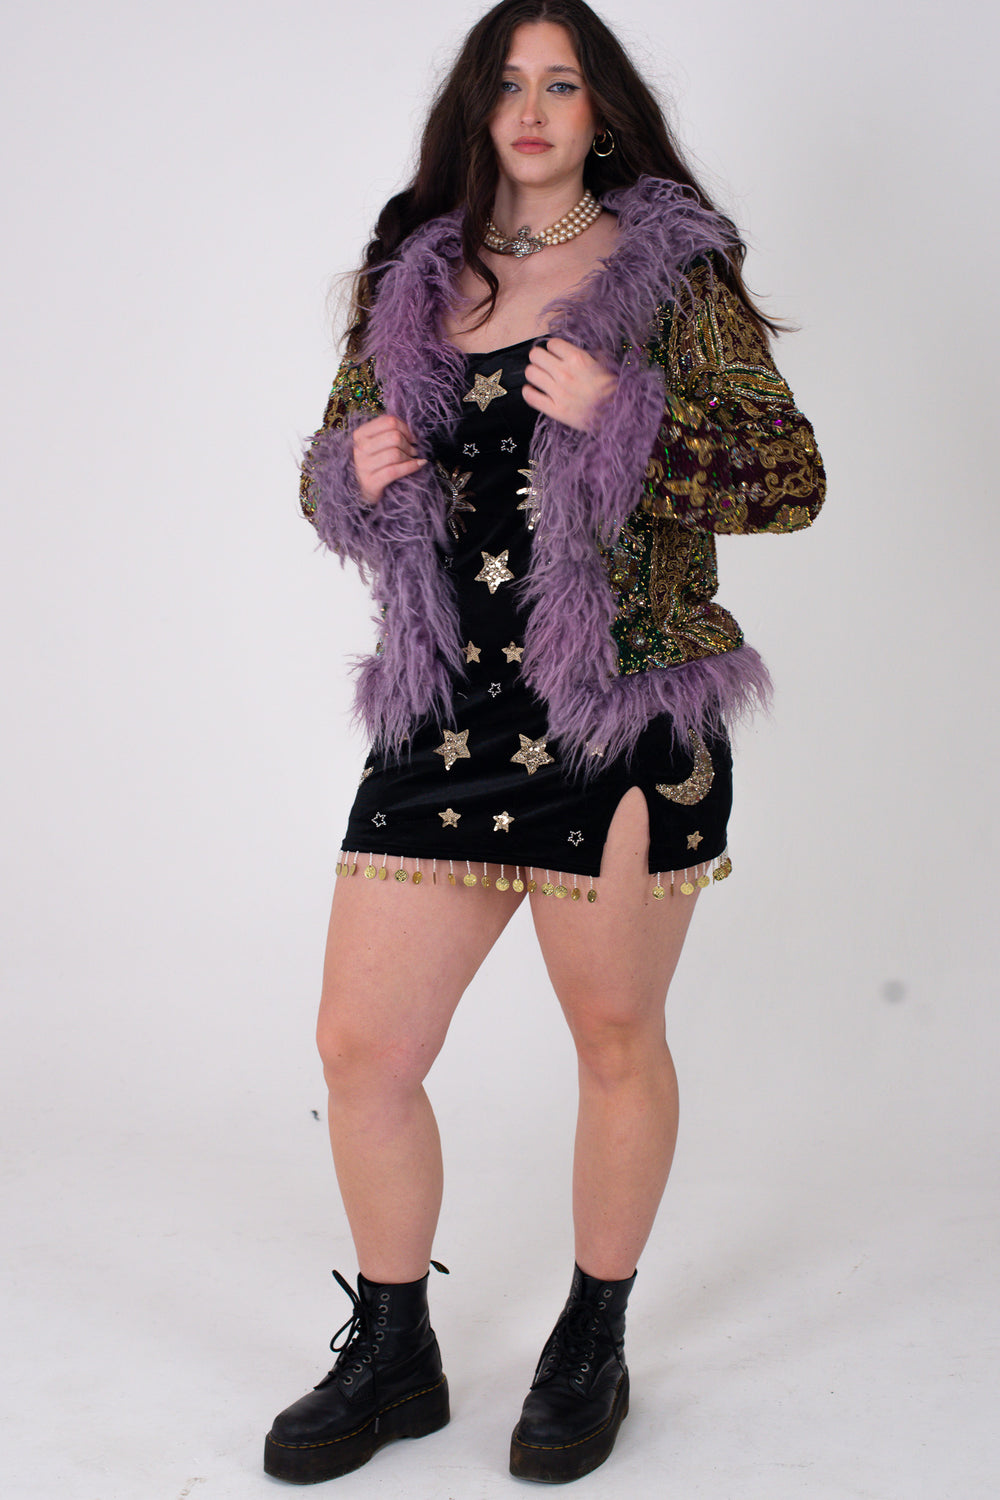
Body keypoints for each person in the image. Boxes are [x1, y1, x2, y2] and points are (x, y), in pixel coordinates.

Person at [264, 0, 825, 1485]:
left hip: (616, 710)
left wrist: (631, 412)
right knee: (362, 1046)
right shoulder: (413, 275)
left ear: (601, 110)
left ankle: (593, 1334)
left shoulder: (669, 275)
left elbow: (791, 476)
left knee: (615, 1039)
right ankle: (396, 1350)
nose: (531, 109)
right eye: (508, 84)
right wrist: (350, 470)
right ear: (477, 107)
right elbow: (325, 474)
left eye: (561, 84)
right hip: (445, 715)